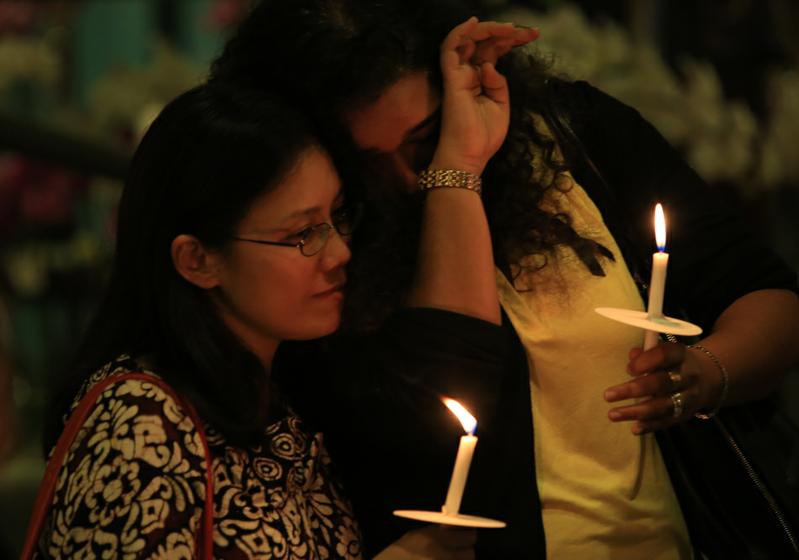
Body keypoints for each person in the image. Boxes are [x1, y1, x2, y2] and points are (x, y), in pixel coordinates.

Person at [211, 1, 799, 558]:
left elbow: (770, 301)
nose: (404, 180)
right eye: (363, 163)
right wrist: (455, 170)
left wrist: (708, 371)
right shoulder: (315, 258)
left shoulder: (577, 138)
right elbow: (443, 397)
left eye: (425, 140)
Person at [31, 82, 474, 559]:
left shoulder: (274, 400)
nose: (341, 253)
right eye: (303, 233)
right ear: (198, 260)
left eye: (338, 216)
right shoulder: (141, 422)